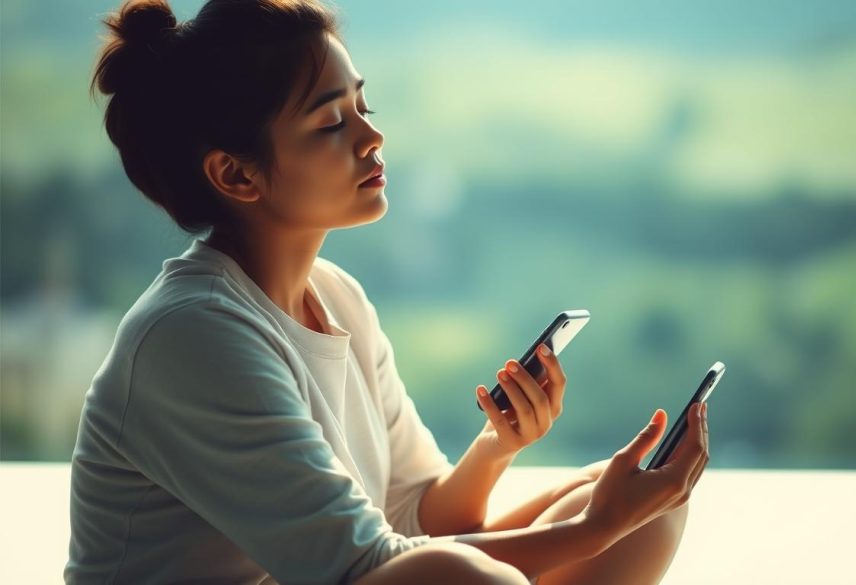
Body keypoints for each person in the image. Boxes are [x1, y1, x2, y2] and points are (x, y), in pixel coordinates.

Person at [65, 1, 711, 583]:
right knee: (472, 573)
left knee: (644, 504)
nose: (371, 138)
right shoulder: (192, 334)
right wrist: (596, 529)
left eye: (362, 108)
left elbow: (415, 514)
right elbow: (367, 566)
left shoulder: (336, 296)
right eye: (329, 124)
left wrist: (498, 446)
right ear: (236, 173)